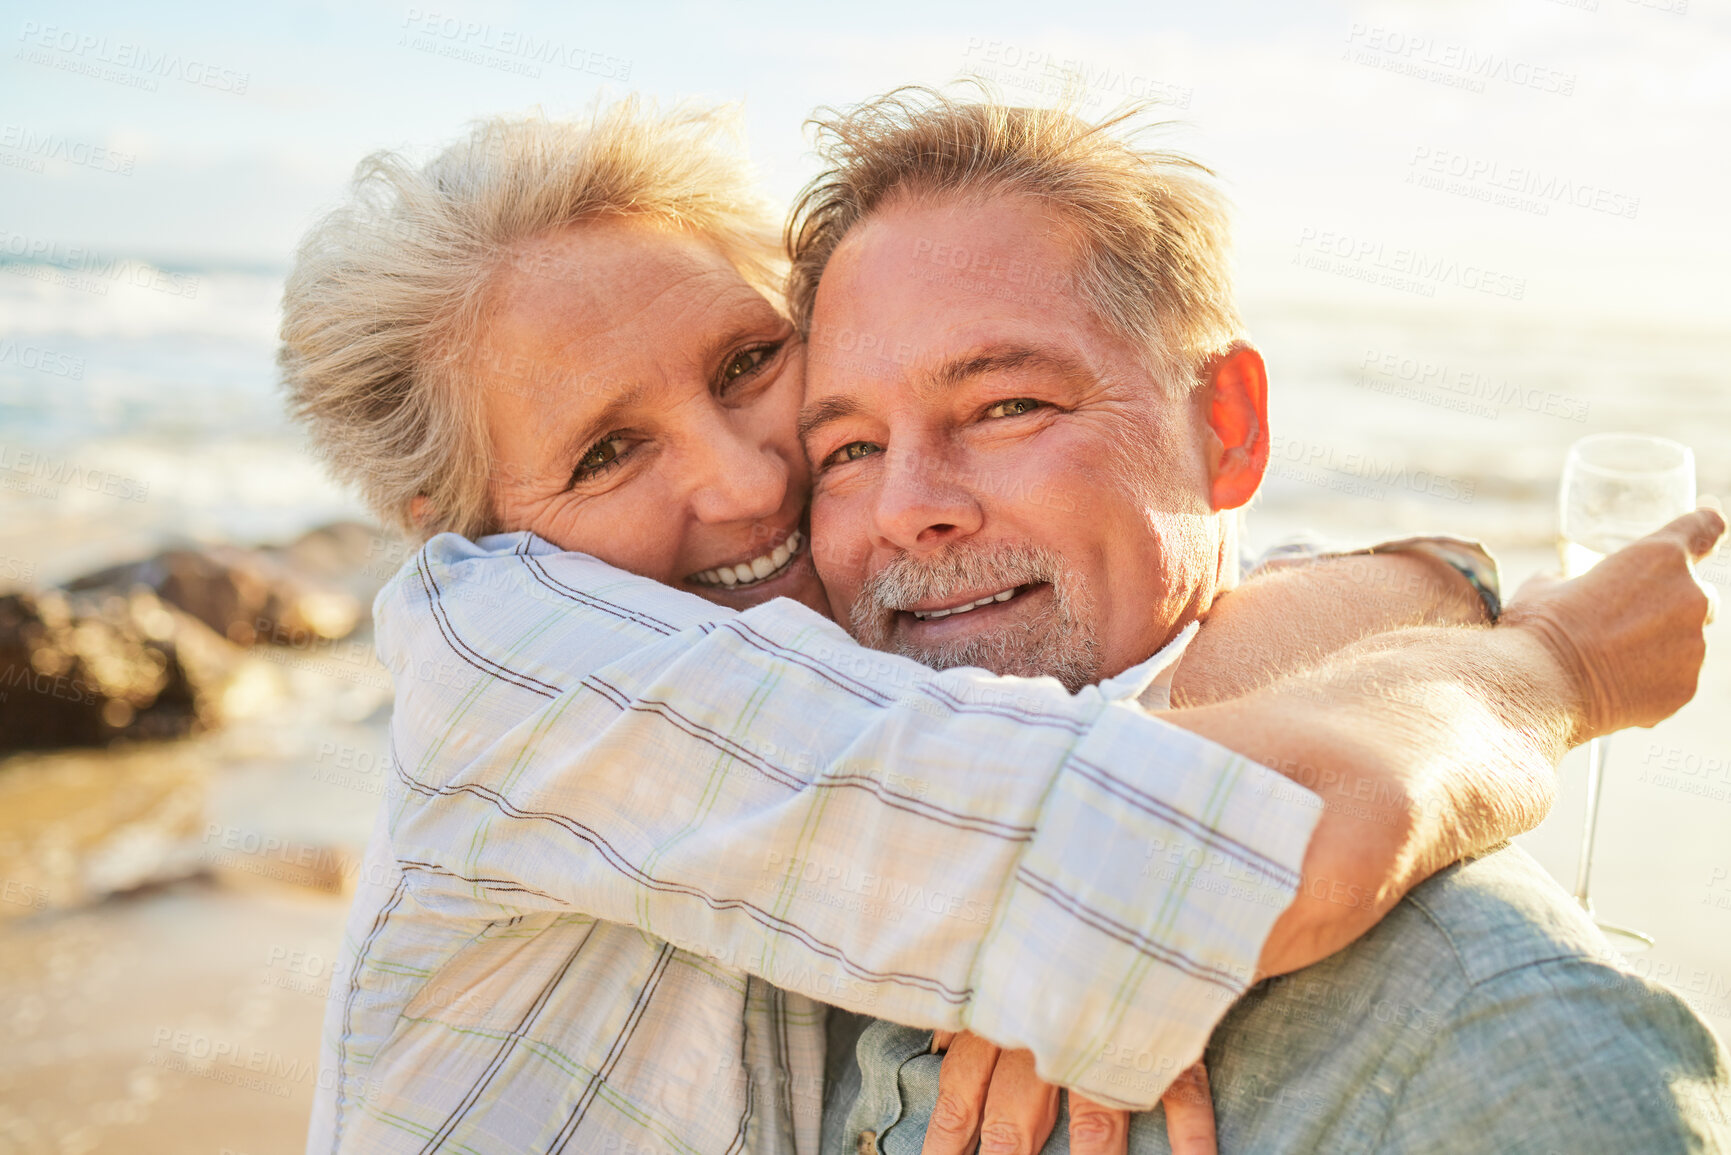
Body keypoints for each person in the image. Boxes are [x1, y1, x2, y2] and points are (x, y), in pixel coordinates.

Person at [277, 98, 1722, 1153]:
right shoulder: (517, 652)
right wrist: (1546, 659)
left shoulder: (1489, 1034)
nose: (749, 475)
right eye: (603, 453)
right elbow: (1170, 847)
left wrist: (1436, 582)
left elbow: (1158, 630)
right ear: (459, 529)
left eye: (751, 364)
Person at [779, 89, 1731, 1154]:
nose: (909, 507)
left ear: (1227, 425)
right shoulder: (764, 881)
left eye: (1009, 407)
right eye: (848, 451)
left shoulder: (1484, 1036)